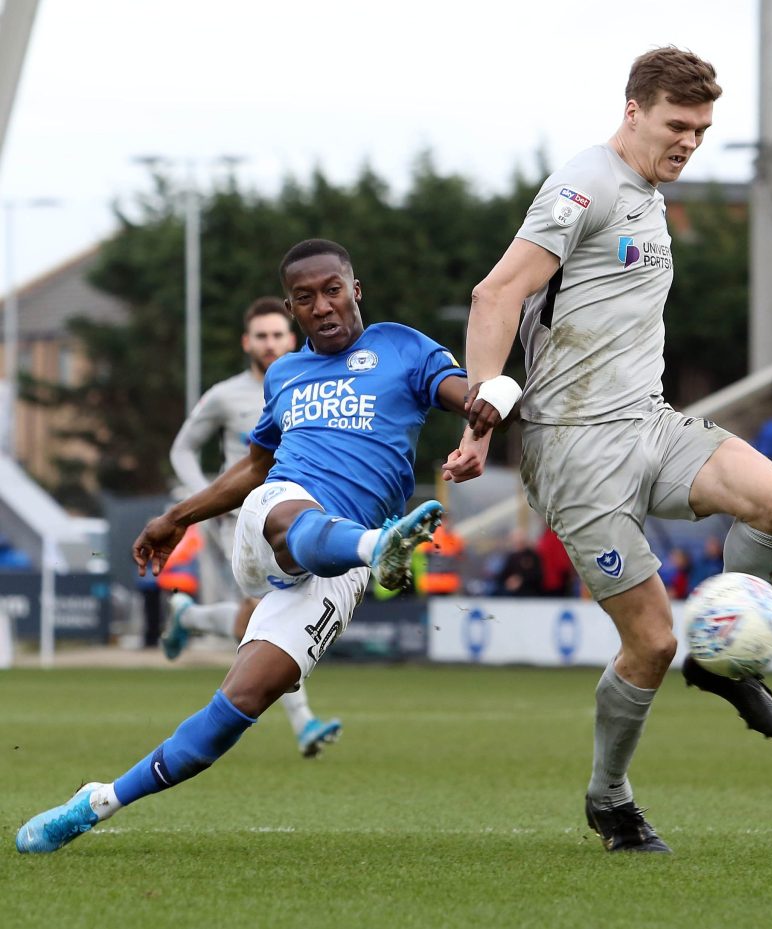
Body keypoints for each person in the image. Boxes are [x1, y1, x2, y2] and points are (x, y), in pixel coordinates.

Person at [15, 238, 491, 854]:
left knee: (241, 704)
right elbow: (256, 466)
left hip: (341, 565)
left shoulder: (403, 347)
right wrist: (177, 517)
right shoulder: (286, 375)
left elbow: (467, 396)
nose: (322, 306)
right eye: (305, 298)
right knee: (290, 517)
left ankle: (98, 801)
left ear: (355, 289)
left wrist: (485, 412)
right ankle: (379, 547)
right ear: (293, 310)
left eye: (332, 290)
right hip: (277, 517)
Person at [443, 47, 772, 855]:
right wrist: (479, 416)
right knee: (650, 641)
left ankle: (726, 660)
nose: (690, 143)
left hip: (649, 421)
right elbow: (497, 293)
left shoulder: (647, 190)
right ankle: (611, 801)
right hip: (576, 451)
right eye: (678, 126)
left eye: (703, 130)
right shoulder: (588, 183)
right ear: (633, 110)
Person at [164, 295, 340, 758]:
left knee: (256, 614)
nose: (269, 343)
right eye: (261, 336)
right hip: (237, 520)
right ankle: (303, 721)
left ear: (293, 335)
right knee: (271, 607)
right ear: (247, 342)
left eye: (277, 334)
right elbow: (182, 449)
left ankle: (191, 617)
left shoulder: (314, 382)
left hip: (293, 516)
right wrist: (205, 499)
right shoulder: (225, 395)